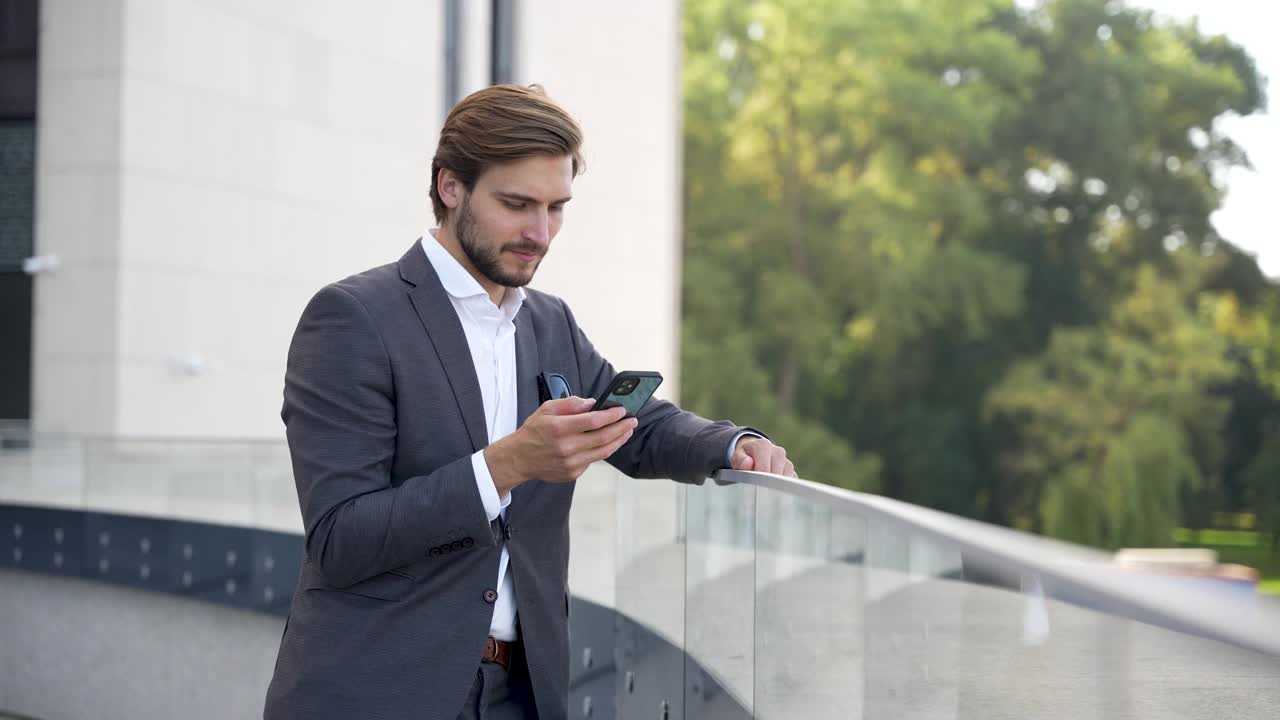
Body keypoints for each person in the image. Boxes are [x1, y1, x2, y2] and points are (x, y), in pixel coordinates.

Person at [263, 84, 796, 720]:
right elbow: (340, 538)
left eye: (557, 207)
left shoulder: (548, 323)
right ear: (450, 186)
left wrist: (735, 446)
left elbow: (637, 425)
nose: (540, 233)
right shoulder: (353, 318)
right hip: (380, 688)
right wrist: (510, 462)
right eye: (517, 204)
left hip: (523, 691)